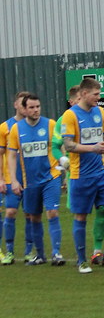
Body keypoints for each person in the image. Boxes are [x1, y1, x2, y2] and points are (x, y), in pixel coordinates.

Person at [61, 78, 104, 274]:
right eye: (95, 95)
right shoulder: (70, 116)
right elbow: (68, 145)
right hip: (80, 175)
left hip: (101, 172)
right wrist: (93, 148)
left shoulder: (99, 112)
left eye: (99, 94)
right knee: (81, 217)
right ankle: (82, 261)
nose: (99, 98)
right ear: (83, 94)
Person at [5, 94, 62, 265]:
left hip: (51, 176)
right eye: (31, 107)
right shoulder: (16, 129)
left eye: (37, 106)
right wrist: (14, 181)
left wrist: (61, 166)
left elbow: (58, 147)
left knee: (52, 211)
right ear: (24, 109)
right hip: (29, 181)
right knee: (34, 217)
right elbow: (12, 155)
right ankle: (40, 255)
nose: (35, 110)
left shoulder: (50, 124)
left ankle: (57, 253)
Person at [1, 91, 30, 265]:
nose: (25, 107)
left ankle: (28, 251)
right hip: (11, 177)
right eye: (22, 103)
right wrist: (1, 179)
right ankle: (9, 251)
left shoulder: (34, 125)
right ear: (16, 105)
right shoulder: (5, 127)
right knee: (10, 212)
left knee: (29, 214)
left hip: (30, 178)